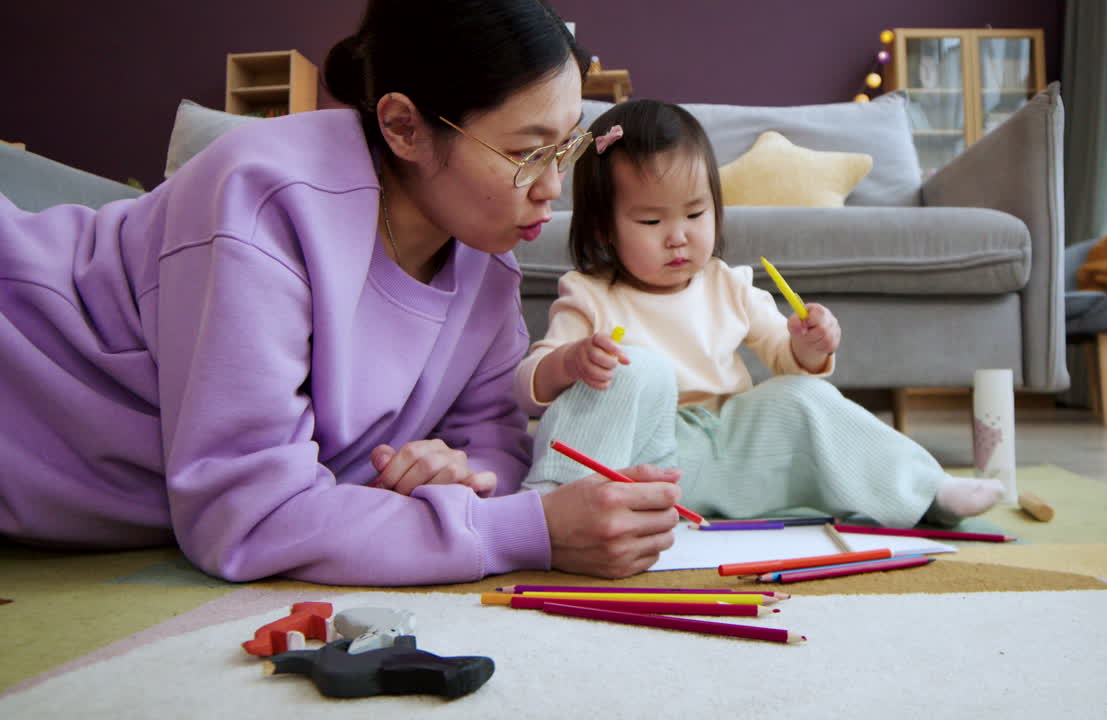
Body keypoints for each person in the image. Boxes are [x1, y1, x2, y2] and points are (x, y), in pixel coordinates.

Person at [0, 0, 683, 585]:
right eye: (527, 152)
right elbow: (246, 515)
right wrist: (520, 530)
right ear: (403, 126)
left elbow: (497, 448)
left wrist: (454, 474)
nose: (551, 187)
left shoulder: (487, 259)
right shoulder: (262, 199)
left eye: (565, 148)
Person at [514, 99, 1005, 528]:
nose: (678, 235)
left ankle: (925, 489)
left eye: (695, 213)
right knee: (637, 368)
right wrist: (569, 363)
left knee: (803, 395)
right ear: (602, 231)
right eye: (650, 220)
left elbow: (785, 360)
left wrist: (807, 347)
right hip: (638, 456)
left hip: (727, 446)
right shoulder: (590, 294)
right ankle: (550, 504)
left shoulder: (729, 284)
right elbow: (528, 386)